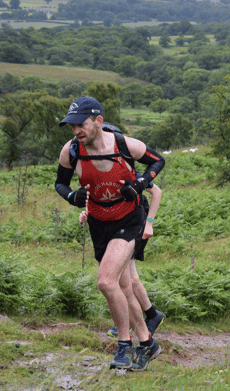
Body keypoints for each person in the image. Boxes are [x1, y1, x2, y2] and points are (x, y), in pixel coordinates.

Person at [54, 96, 165, 371]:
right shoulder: (71, 152)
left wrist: (139, 185)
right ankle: (148, 343)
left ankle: (124, 346)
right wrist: (72, 196)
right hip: (99, 223)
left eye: (81, 124)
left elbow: (157, 162)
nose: (76, 131)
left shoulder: (126, 145)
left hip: (130, 219)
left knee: (105, 282)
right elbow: (60, 183)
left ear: (98, 121)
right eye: (72, 126)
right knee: (124, 287)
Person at [80, 178, 166, 338]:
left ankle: (139, 320)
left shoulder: (127, 172)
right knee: (129, 277)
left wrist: (150, 223)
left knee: (124, 277)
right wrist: (88, 213)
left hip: (133, 224)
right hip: (115, 226)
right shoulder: (95, 172)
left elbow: (157, 191)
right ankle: (150, 315)